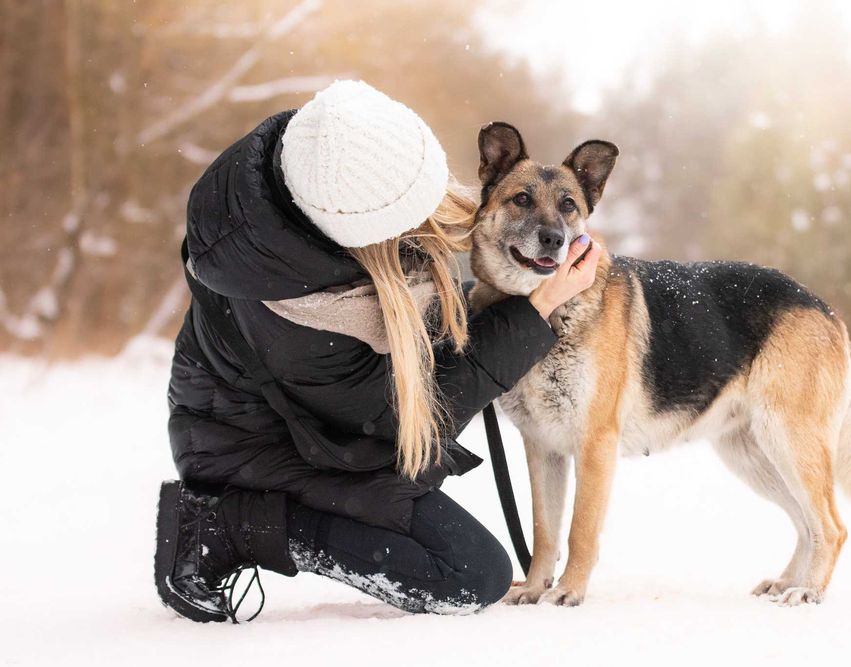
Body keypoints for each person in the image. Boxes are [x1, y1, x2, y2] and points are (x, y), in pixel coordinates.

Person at [155, 80, 603, 622]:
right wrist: (539, 308)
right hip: (252, 451)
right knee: (468, 575)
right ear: (369, 226)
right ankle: (229, 526)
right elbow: (412, 418)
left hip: (311, 422)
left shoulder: (313, 161)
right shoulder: (301, 319)